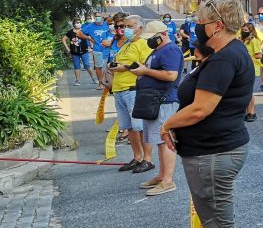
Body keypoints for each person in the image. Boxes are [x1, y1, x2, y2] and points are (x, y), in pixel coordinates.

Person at [160, 0, 254, 228]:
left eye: (200, 23)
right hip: (217, 150)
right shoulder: (228, 52)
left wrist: (167, 125)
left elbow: (202, 108)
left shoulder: (225, 57)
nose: (196, 28)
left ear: (217, 25)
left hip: (213, 154)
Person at [132, 20, 183, 196]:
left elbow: (171, 75)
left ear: (163, 35)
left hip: (164, 101)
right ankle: (162, 176)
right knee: (160, 141)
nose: (149, 41)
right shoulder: (158, 50)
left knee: (165, 140)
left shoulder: (170, 50)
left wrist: (145, 72)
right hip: (156, 101)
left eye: (152, 37)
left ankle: (168, 180)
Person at [110, 15, 155, 174]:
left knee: (139, 127)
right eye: (124, 26)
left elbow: (146, 65)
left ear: (140, 28)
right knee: (129, 128)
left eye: (129, 26)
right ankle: (137, 157)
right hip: (119, 89)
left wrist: (126, 67)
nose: (125, 29)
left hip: (132, 89)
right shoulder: (125, 45)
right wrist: (113, 66)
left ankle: (147, 159)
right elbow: (118, 61)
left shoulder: (143, 44)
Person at [239, 23, 263, 122]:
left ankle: (252, 113)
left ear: (251, 31)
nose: (244, 32)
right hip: (242, 68)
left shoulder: (254, 41)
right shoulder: (242, 41)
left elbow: (259, 55)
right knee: (245, 91)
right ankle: (247, 112)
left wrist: (248, 57)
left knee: (249, 91)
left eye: (246, 30)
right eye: (243, 30)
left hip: (251, 68)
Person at [62, 20, 99, 87]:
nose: (79, 24)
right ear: (74, 24)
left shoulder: (84, 31)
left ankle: (94, 78)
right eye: (77, 23)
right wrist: (67, 48)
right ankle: (77, 80)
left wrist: (91, 47)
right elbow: (64, 39)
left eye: (79, 22)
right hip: (74, 52)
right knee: (77, 66)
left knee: (87, 65)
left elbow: (90, 38)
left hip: (84, 51)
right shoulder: (70, 32)